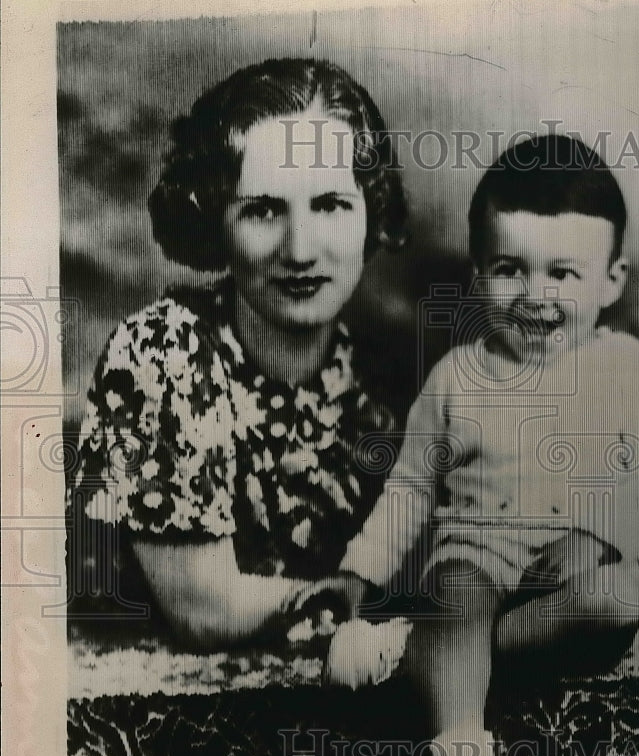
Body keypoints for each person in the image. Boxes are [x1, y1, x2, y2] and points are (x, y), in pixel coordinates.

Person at [297, 134, 639, 756]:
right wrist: (358, 575)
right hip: (475, 561)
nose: (536, 296)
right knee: (458, 593)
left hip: (571, 571)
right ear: (479, 274)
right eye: (511, 269)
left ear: (612, 279)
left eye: (564, 274)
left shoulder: (627, 366)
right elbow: (412, 488)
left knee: (622, 601)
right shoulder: (458, 377)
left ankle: (422, 656)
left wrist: (601, 536)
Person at [66, 57, 407, 649]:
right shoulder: (162, 353)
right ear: (215, 220)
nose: (300, 248)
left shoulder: (386, 380)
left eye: (330, 205)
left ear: (371, 211)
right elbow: (204, 608)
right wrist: (366, 606)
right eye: (262, 209)